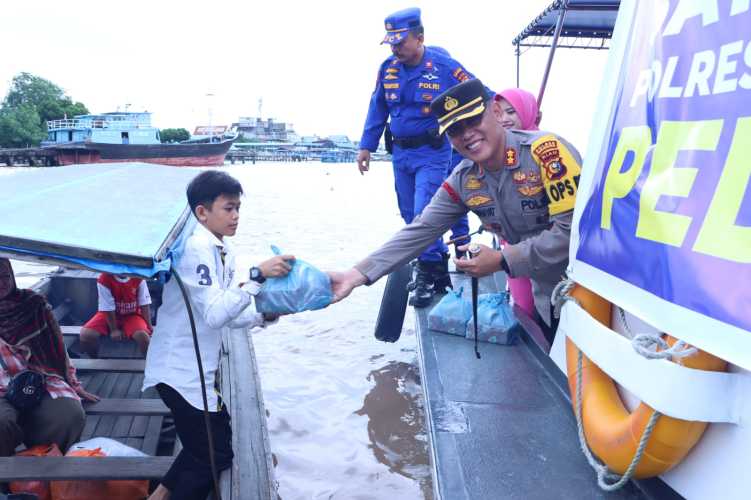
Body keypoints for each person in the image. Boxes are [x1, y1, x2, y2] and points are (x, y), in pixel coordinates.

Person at [331, 78, 583, 343]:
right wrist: (355, 275)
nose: (466, 134)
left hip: (592, 292)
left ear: (495, 113)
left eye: (473, 121)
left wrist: (501, 260)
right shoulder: (464, 180)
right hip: (549, 296)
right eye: (454, 129)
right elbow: (421, 230)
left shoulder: (547, 153)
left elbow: (574, 234)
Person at [143, 170, 295, 500]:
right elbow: (215, 316)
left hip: (195, 371)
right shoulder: (197, 249)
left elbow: (224, 312)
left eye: (238, 208)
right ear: (202, 212)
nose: (236, 216)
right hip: (179, 371)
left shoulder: (221, 250)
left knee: (208, 446)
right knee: (213, 455)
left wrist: (263, 315)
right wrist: (257, 277)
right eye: (228, 208)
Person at [357, 7, 476, 307]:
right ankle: (436, 269)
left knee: (424, 212)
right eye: (391, 43)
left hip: (433, 153)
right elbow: (377, 108)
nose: (395, 48)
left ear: (420, 38)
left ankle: (427, 270)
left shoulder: (444, 67)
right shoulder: (388, 69)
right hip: (400, 154)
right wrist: (366, 146)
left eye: (401, 42)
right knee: (410, 215)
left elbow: (478, 91)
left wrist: (504, 112)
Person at [0, 258, 99, 459]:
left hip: (40, 377)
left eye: (5, 276)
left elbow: (58, 349)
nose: (1, 283)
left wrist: (73, 383)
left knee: (69, 415)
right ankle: (5, 478)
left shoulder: (32, 304)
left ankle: (45, 467)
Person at [491, 88, 543, 317]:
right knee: (524, 306)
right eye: (497, 114)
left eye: (511, 112)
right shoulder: (496, 152)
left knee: (552, 307)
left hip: (547, 245)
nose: (504, 120)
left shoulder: (548, 147)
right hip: (512, 245)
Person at [79, 273, 153, 357]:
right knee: (86, 335)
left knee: (143, 337)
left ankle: (147, 363)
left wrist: (149, 326)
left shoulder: (139, 277)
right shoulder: (104, 278)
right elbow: (107, 306)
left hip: (132, 315)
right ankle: (94, 358)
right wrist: (114, 330)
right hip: (107, 314)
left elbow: (144, 303)